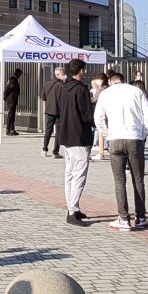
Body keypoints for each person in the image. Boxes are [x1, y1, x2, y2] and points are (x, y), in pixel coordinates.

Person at [93, 68, 148, 230]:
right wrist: (142, 133)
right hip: (134, 137)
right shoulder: (136, 91)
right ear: (124, 80)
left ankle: (123, 218)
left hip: (116, 138)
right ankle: (140, 217)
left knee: (119, 180)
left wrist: (107, 134)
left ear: (111, 81)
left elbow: (98, 118)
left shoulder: (106, 93)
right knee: (138, 179)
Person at [55, 59, 95, 226]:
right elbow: (86, 115)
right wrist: (97, 124)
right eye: (84, 70)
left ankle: (73, 207)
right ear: (80, 71)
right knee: (79, 174)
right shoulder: (81, 89)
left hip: (66, 134)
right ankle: (72, 210)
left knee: (70, 173)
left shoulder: (63, 88)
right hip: (79, 134)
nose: (85, 73)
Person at [39, 65, 66, 158]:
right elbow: (63, 99)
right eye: (63, 74)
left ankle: (44, 149)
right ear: (58, 74)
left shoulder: (47, 84)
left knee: (48, 131)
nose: (64, 75)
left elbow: (43, 97)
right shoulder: (62, 85)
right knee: (58, 132)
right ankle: (55, 152)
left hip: (49, 110)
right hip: (59, 111)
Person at [3, 68, 23, 136]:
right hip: (11, 100)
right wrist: (5, 97)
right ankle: (8, 129)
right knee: (10, 114)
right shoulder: (13, 79)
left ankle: (12, 129)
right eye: (20, 74)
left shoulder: (14, 79)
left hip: (13, 100)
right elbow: (8, 88)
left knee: (12, 115)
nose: (20, 76)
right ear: (17, 73)